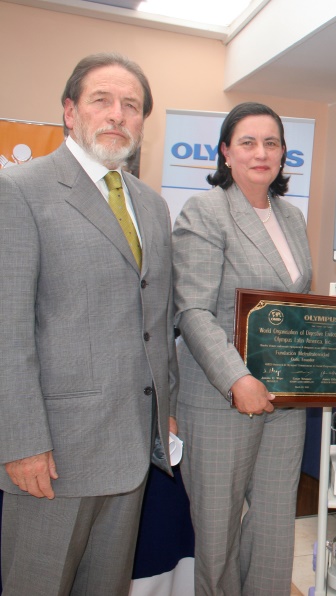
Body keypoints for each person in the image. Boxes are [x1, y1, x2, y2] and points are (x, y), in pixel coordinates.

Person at [0, 53, 177, 594]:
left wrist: (164, 414)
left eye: (131, 106)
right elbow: (8, 330)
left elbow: (157, 316)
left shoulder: (151, 205)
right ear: (70, 112)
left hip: (129, 448)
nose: (117, 115)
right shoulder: (20, 190)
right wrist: (22, 442)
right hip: (54, 456)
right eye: (102, 100)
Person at [172, 102, 312, 595]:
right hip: (219, 397)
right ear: (226, 153)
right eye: (248, 142)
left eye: (271, 143)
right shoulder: (205, 212)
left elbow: (292, 306)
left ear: (282, 155)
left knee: (273, 526)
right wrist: (237, 378)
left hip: (285, 399)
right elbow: (192, 311)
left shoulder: (292, 218)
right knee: (218, 531)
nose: (261, 152)